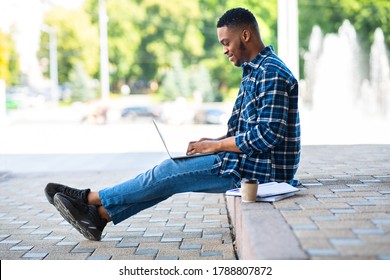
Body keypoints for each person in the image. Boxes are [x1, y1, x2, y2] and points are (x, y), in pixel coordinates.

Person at [45, 7, 301, 241]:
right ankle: (98, 217)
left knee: (168, 171)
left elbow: (267, 135)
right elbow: (248, 131)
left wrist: (216, 146)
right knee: (170, 177)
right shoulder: (255, 71)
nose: (224, 49)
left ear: (245, 35)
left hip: (263, 172)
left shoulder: (271, 73)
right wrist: (213, 142)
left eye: (226, 42)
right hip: (250, 163)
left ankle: (88, 199)